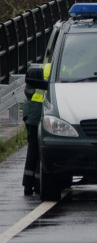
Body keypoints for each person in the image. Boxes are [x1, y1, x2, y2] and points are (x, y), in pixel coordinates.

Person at [22, 63, 50, 196]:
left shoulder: (42, 67)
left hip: (33, 114)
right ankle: (39, 185)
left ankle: (28, 185)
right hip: (48, 114)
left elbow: (28, 92)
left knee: (32, 150)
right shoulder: (62, 69)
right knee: (43, 151)